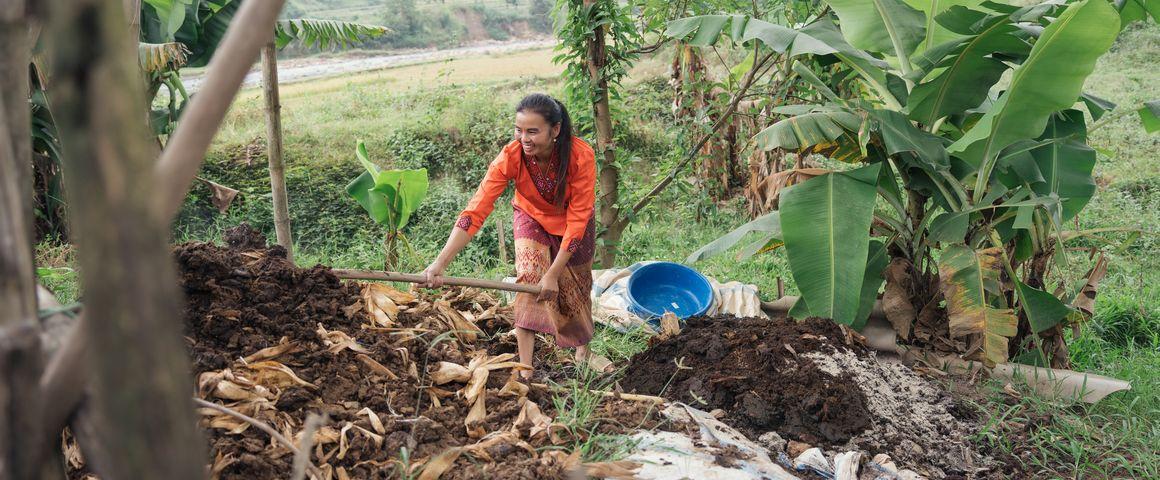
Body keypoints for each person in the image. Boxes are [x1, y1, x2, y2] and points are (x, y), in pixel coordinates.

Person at [421, 93, 599, 380]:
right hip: (531, 215)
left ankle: (581, 350)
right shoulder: (511, 155)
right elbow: (477, 208)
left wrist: (553, 274)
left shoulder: (581, 155)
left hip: (573, 222)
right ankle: (526, 370)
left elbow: (578, 218)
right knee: (528, 279)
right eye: (519, 130)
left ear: (555, 130)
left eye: (533, 131)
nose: (524, 139)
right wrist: (440, 263)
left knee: (576, 284)